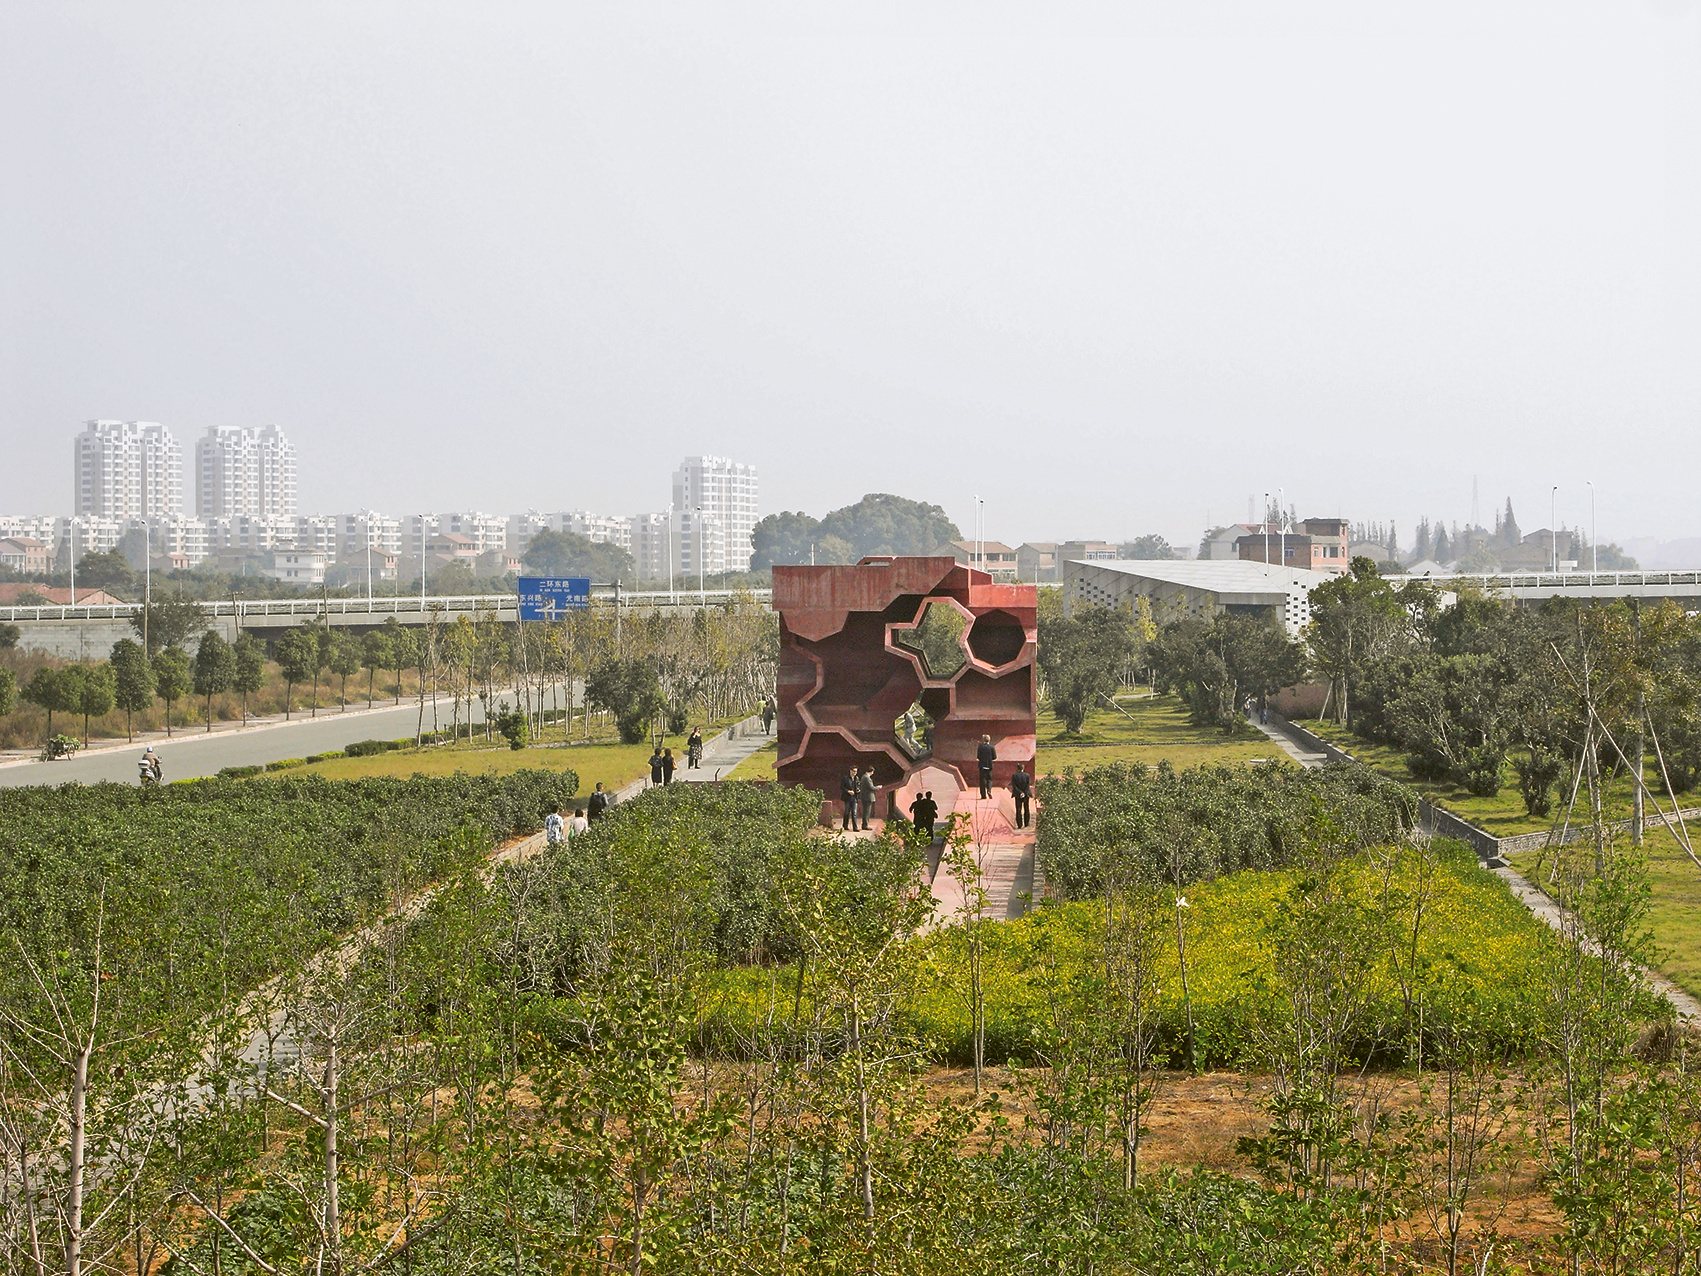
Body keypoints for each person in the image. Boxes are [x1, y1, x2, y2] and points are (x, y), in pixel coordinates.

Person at [1010, 761, 1033, 829]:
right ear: (1023, 768)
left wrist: (1020, 792)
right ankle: (1026, 823)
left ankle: (1019, 824)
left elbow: (1014, 786)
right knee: (1026, 808)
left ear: (1017, 768)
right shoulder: (1027, 775)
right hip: (1026, 794)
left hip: (1017, 794)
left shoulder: (1014, 776)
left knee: (1018, 809)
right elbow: (1027, 785)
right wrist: (1024, 792)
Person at [839, 766, 860, 831]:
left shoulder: (856, 778)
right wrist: (848, 791)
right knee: (847, 812)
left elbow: (858, 786)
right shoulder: (845, 778)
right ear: (850, 771)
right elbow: (842, 787)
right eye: (853, 771)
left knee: (854, 812)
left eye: (856, 771)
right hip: (847, 797)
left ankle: (855, 827)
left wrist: (858, 790)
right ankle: (845, 825)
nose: (855, 773)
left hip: (854, 797)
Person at [976, 734, 997, 799]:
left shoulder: (980, 747)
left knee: (982, 780)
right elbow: (994, 757)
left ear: (983, 740)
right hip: (989, 766)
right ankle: (989, 790)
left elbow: (978, 757)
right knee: (989, 779)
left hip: (982, 766)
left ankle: (983, 795)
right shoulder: (992, 747)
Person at [857, 767, 877, 831]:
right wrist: (878, 787)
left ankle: (865, 824)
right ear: (871, 771)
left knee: (866, 811)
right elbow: (871, 787)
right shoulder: (866, 778)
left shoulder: (864, 777)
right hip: (867, 797)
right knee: (867, 812)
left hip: (865, 797)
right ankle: (865, 825)